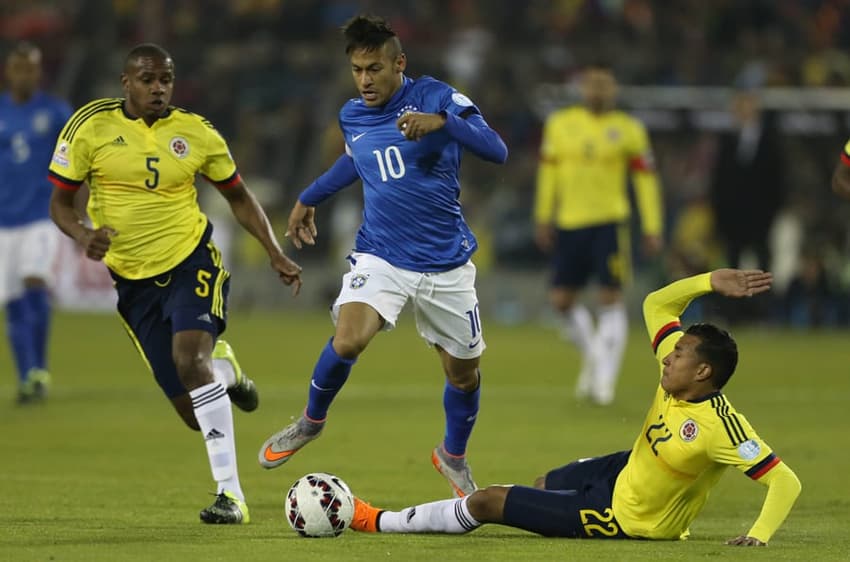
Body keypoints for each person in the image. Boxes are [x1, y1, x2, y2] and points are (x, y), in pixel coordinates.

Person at [349, 269, 801, 547]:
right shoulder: (676, 380)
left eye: (680, 352)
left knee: (489, 501)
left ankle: (376, 520)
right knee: (544, 483)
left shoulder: (721, 427)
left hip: (624, 519)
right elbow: (655, 303)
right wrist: (709, 282)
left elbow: (784, 481)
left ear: (703, 373)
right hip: (625, 471)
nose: (668, 354)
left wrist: (758, 535)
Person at [47, 43, 302, 524]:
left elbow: (239, 196)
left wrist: (273, 251)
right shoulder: (90, 126)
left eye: (165, 79)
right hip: (133, 282)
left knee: (190, 359)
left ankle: (232, 497)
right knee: (192, 411)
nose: (158, 88)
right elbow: (60, 203)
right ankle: (228, 374)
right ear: (126, 83)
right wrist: (84, 233)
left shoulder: (197, 133)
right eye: (147, 79)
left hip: (191, 261)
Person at [258, 15, 507, 498]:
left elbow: (497, 150)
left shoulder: (437, 97)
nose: (365, 80)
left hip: (445, 262)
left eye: (374, 68)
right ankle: (310, 421)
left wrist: (444, 124)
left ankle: (452, 456)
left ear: (399, 63)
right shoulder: (352, 114)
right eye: (357, 70)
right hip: (382, 256)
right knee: (348, 340)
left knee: (463, 373)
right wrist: (308, 197)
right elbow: (356, 160)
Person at [533, 62, 663, 406]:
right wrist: (543, 216)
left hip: (609, 223)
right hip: (570, 222)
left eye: (604, 84)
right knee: (561, 300)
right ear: (582, 88)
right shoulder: (560, 125)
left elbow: (645, 181)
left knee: (610, 299)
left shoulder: (629, 129)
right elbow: (548, 175)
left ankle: (604, 380)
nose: (598, 91)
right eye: (592, 84)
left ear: (614, 89)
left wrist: (652, 225)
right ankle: (593, 357)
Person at [0, 42, 72, 403]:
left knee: (34, 282)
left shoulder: (57, 113)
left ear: (39, 71)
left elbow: (79, 165)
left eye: (31, 68)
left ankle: (38, 368)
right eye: (19, 68)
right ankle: (29, 374)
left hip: (41, 216)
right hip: (2, 222)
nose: (25, 74)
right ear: (8, 71)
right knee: (11, 298)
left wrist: (79, 211)